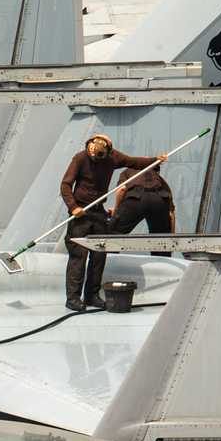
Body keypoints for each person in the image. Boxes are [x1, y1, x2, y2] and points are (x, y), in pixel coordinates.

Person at [59, 134, 168, 312]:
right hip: (81, 213)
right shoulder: (80, 158)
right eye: (92, 152)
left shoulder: (112, 158)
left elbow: (134, 162)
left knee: (99, 255)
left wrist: (155, 160)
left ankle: (92, 296)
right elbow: (65, 184)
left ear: (108, 151)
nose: (94, 155)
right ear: (89, 146)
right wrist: (73, 207)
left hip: (98, 212)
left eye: (99, 154)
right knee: (78, 256)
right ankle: (73, 299)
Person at [112, 163, 175, 257]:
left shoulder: (127, 172)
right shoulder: (161, 181)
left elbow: (121, 190)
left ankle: (108, 258)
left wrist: (116, 210)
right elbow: (171, 213)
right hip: (159, 200)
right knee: (160, 240)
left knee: (113, 234)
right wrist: (171, 237)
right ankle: (161, 260)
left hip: (136, 199)